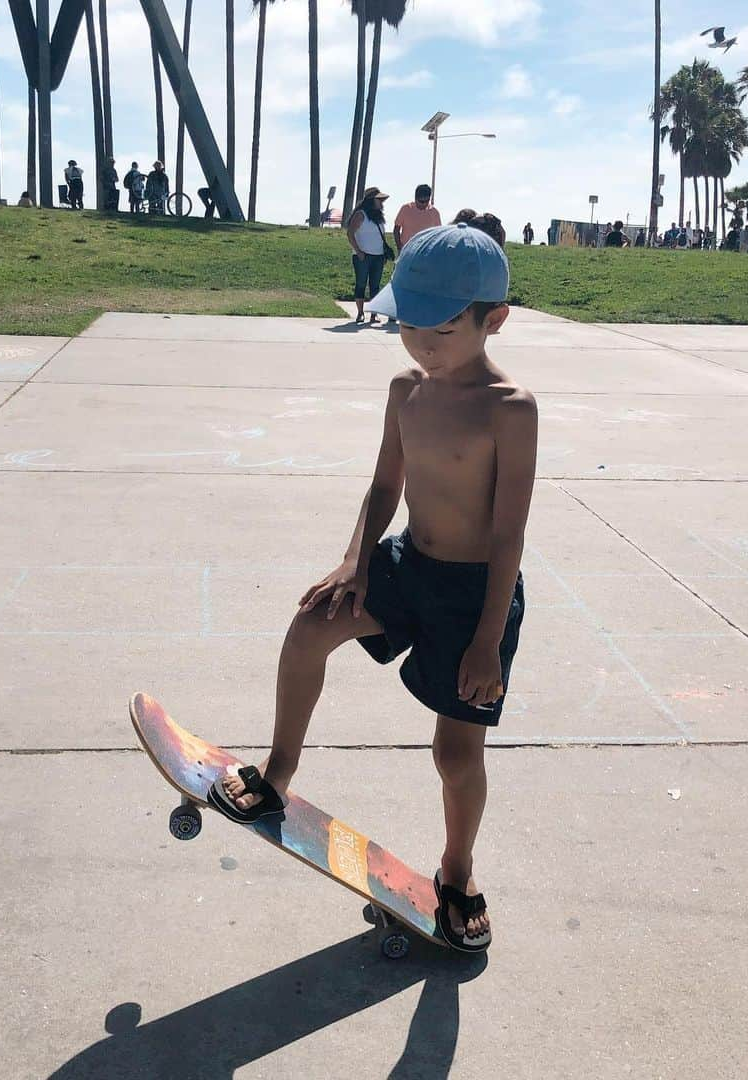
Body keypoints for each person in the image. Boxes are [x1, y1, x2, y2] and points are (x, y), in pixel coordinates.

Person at [209, 223, 534, 953]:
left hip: (475, 595)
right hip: (404, 565)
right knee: (310, 629)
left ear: (495, 320)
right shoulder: (406, 390)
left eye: (441, 329)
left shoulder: (511, 409)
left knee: (455, 755)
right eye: (407, 324)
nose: (421, 343)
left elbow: (509, 533)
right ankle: (278, 771)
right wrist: (356, 561)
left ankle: (458, 869)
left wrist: (488, 640)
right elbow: (386, 484)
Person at [346, 186, 391, 325]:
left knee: (375, 286)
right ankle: (360, 312)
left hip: (378, 256)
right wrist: (358, 251)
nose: (381, 203)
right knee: (361, 284)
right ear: (371, 200)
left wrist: (383, 254)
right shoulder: (361, 215)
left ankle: (374, 314)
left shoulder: (379, 218)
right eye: (379, 200)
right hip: (363, 256)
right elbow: (350, 233)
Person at [393, 184, 442, 253]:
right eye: (421, 202)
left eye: (426, 201)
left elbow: (438, 234)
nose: (424, 204)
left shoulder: (434, 213)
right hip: (407, 251)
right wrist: (399, 247)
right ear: (415, 198)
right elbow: (396, 229)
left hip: (425, 252)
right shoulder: (406, 209)